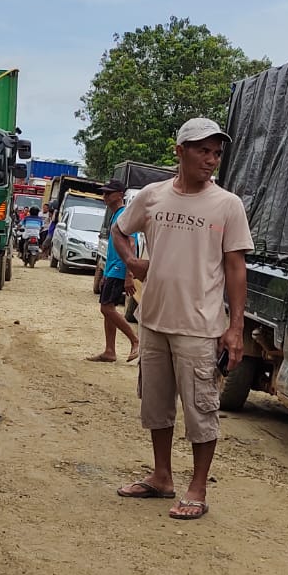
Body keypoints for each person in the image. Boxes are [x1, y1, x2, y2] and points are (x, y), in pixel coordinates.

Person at [110, 118, 252, 520]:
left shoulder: (227, 205)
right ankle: (161, 476)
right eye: (203, 151)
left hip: (200, 326)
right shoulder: (153, 196)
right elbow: (120, 230)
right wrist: (132, 261)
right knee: (156, 406)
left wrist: (235, 327)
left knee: (200, 410)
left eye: (216, 153)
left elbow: (236, 268)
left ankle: (197, 488)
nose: (211, 160)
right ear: (180, 151)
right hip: (154, 320)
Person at [87, 179, 140, 363]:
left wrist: (129, 275)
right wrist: (106, 273)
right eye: (104, 193)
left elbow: (132, 245)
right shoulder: (116, 215)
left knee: (106, 308)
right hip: (112, 269)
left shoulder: (124, 215)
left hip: (119, 268)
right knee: (108, 309)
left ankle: (135, 340)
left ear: (119, 195)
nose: (105, 196)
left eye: (108, 193)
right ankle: (110, 350)